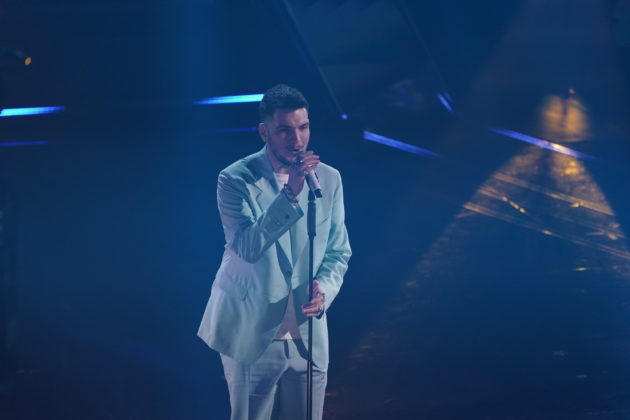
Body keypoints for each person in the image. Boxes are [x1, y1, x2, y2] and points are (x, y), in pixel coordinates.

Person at [198, 84, 351, 420]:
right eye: (284, 130)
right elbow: (247, 247)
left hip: (308, 332)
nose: (297, 140)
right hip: (252, 330)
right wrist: (291, 193)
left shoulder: (329, 179)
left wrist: (324, 291)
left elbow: (338, 251)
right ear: (264, 132)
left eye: (303, 127)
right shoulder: (235, 179)